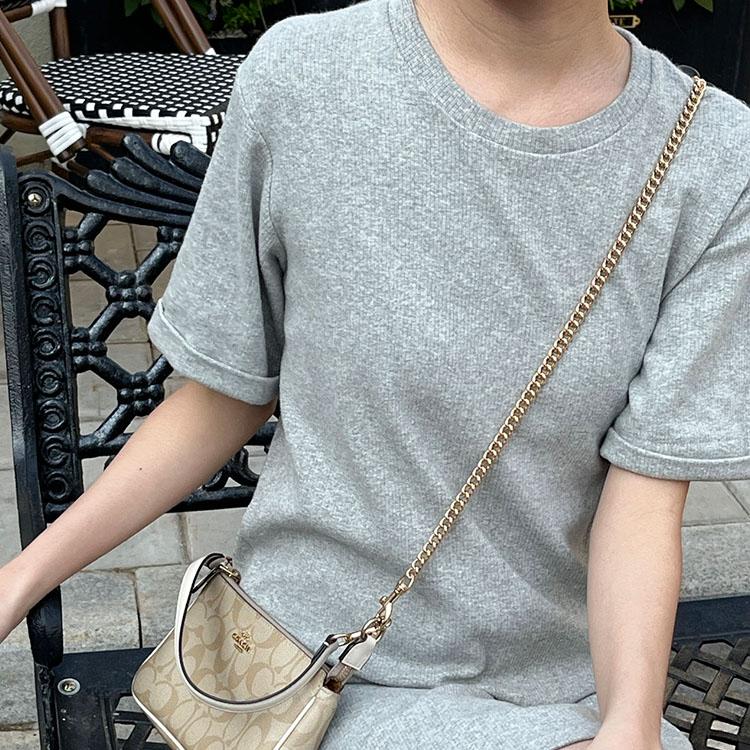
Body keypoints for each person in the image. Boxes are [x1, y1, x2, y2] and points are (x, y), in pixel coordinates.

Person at [2, 0, 749, 747]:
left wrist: (630, 728)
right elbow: (222, 397)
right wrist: (22, 578)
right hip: (297, 672)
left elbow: (645, 497)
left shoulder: (715, 159)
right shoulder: (306, 76)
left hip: (555, 689)